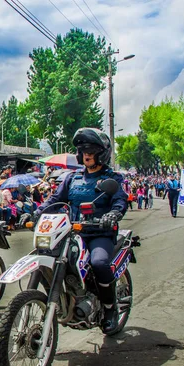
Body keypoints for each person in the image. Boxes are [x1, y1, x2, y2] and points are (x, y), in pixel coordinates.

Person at [35, 127, 128, 333]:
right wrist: (36, 212)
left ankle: (110, 308)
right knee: (46, 256)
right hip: (73, 233)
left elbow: (120, 201)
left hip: (99, 234)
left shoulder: (113, 178)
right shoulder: (71, 178)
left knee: (99, 263)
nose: (86, 153)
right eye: (83, 149)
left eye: (91, 149)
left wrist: (112, 215)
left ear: (101, 152)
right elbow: (55, 200)